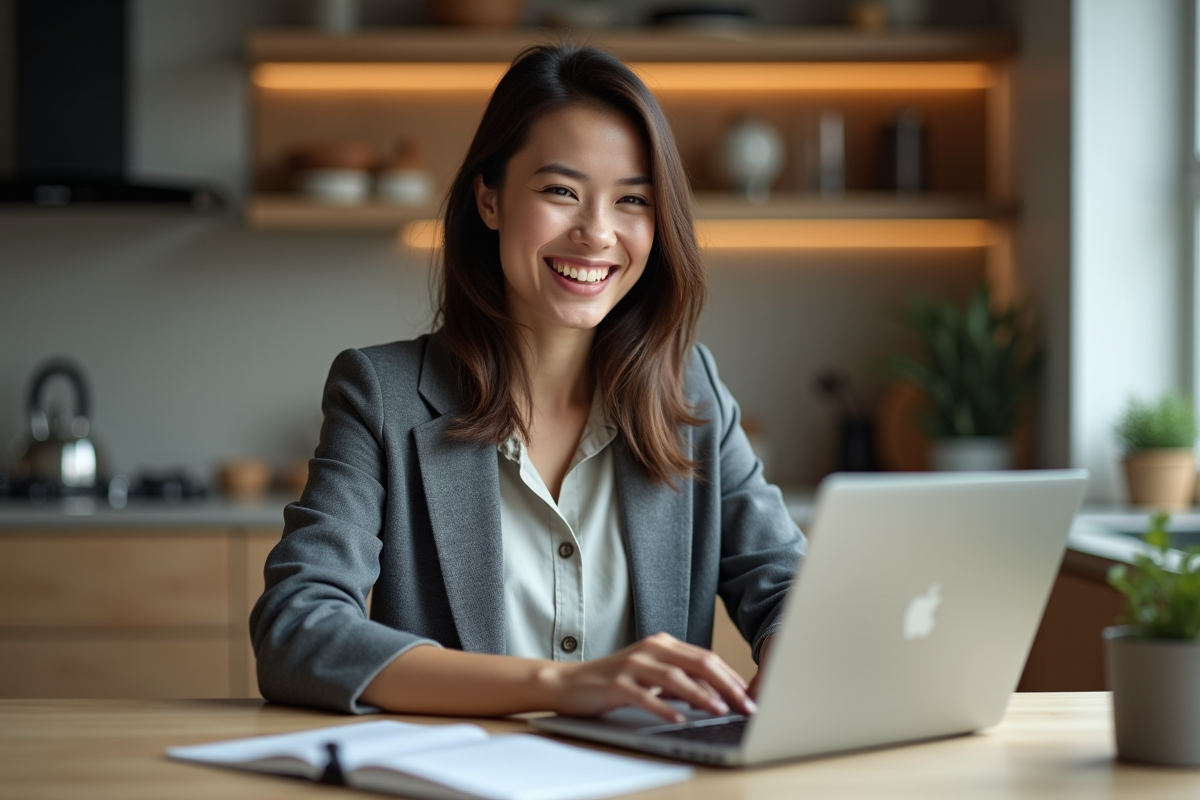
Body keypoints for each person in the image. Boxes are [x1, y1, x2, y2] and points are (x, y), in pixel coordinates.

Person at [250, 43, 805, 724]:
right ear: (490, 199)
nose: (597, 232)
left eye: (633, 200)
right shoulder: (381, 394)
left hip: (657, 772)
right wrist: (559, 685)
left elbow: (787, 584)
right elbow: (297, 628)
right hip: (464, 771)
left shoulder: (692, 391)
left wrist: (795, 648)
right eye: (561, 191)